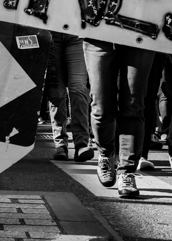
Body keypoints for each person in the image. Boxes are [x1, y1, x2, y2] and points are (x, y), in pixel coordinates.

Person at [83, 41, 153, 200]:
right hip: (99, 33)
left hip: (141, 32)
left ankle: (127, 172)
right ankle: (106, 153)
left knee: (133, 106)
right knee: (101, 107)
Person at [46, 32, 93, 163]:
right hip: (51, 34)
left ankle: (81, 144)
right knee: (56, 92)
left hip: (78, 34)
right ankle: (61, 144)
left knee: (78, 89)